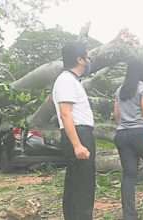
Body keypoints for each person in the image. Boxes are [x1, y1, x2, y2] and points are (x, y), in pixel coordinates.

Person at [113, 58, 143, 220]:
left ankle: (129, 215)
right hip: (140, 133)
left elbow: (117, 116)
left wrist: (126, 125)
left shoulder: (120, 90)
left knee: (129, 174)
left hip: (122, 134)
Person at [52, 41, 95, 220]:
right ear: (79, 59)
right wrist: (77, 145)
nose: (89, 59)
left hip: (80, 133)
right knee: (83, 185)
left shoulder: (72, 81)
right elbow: (65, 114)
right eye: (87, 56)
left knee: (76, 183)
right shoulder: (66, 80)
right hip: (78, 134)